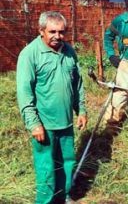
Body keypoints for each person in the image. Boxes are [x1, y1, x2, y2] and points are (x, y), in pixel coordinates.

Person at [16, 11, 88, 204]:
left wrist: (81, 110)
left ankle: (63, 197)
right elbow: (24, 92)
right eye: (52, 31)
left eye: (61, 32)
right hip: (44, 125)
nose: (58, 36)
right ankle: (45, 201)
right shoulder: (30, 54)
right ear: (41, 31)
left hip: (66, 123)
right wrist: (33, 124)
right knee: (46, 169)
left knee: (66, 163)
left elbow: (77, 84)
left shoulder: (69, 51)